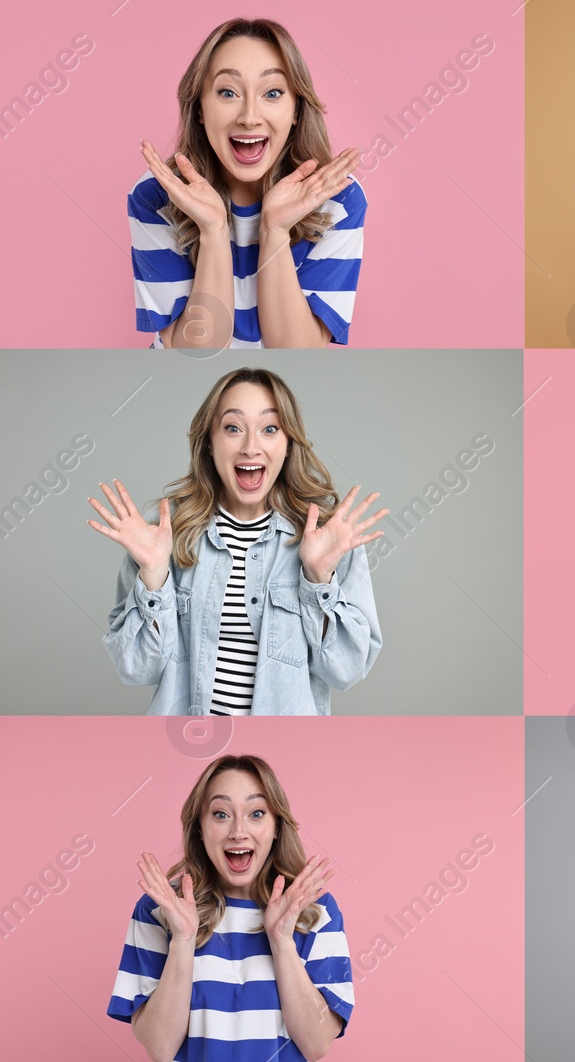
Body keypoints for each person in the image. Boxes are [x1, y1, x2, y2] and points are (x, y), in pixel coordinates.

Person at [91, 368, 385, 715]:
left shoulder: (328, 537)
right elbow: (137, 669)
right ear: (209, 443)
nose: (250, 447)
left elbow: (345, 671)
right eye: (232, 428)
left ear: (288, 444)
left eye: (270, 429)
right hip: (187, 742)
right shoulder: (166, 536)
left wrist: (319, 579)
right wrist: (154, 575)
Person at [130, 18, 365, 349]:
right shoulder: (157, 195)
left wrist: (275, 232)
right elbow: (194, 357)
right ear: (199, 108)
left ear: (296, 108)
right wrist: (213, 232)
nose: (249, 116)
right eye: (228, 92)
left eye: (272, 93)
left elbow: (297, 355)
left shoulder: (338, 199)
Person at [109, 755, 353, 1061]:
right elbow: (160, 1048)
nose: (238, 831)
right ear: (199, 827)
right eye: (221, 814)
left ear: (276, 826)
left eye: (256, 813)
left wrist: (281, 942)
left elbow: (316, 1045)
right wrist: (183, 941)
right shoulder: (160, 908)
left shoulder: (315, 910)